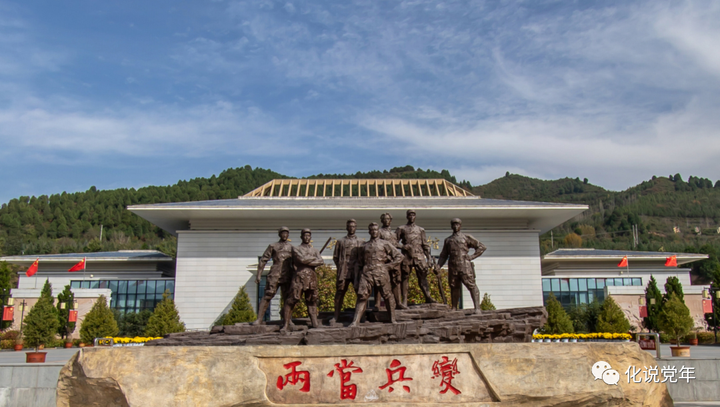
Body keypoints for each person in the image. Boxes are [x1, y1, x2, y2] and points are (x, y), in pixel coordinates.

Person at [350, 222, 403, 327]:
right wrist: (356, 279)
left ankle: (392, 319)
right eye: (372, 230)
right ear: (369, 231)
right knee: (362, 296)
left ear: (378, 231)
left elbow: (399, 256)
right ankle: (355, 321)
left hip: (381, 271)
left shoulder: (384, 244)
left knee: (387, 295)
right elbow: (359, 264)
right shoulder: (363, 246)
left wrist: (389, 266)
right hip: (367, 272)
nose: (374, 232)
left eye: (376, 230)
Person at [436, 218, 486, 313]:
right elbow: (443, 255)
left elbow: (481, 247)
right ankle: (454, 307)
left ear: (460, 226)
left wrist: (471, 257)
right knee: (454, 286)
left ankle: (477, 307)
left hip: (465, 265)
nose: (455, 226)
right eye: (454, 224)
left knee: (471, 285)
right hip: (453, 266)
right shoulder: (448, 240)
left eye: (457, 224)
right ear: (451, 226)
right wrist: (438, 266)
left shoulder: (466, 238)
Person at [281, 229, 324, 332]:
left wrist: (307, 260)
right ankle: (286, 324)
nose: (306, 237)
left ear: (310, 237)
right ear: (301, 237)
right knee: (292, 299)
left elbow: (321, 261)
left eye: (308, 236)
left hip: (311, 277)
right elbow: (301, 260)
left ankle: (314, 323)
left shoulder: (315, 251)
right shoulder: (296, 248)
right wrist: (313, 260)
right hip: (299, 277)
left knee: (312, 300)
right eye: (305, 235)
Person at [251, 227, 293, 325]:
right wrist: (259, 275)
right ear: (279, 234)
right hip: (275, 274)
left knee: (287, 298)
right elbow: (263, 260)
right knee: (268, 295)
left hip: (287, 275)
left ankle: (287, 320)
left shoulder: (291, 248)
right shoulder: (273, 246)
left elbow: (296, 262)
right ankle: (259, 319)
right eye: (283, 233)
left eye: (287, 233)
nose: (285, 235)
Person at [396, 209, 436, 305]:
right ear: (407, 216)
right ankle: (404, 300)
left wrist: (429, 258)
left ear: (415, 216)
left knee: (423, 277)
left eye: (413, 215)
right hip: (406, 255)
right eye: (410, 215)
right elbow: (394, 242)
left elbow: (425, 245)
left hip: (419, 255)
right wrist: (402, 246)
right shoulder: (401, 228)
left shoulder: (420, 230)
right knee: (405, 277)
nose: (411, 217)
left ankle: (428, 296)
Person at [333, 219, 365, 321]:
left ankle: (361, 317)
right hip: (344, 269)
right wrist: (341, 267)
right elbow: (335, 257)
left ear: (356, 228)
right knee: (340, 292)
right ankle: (336, 316)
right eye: (350, 226)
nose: (352, 228)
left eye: (353, 226)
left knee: (360, 292)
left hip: (356, 270)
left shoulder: (361, 242)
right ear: (347, 228)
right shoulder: (340, 241)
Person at [379, 212, 407, 309]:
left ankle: (398, 302)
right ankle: (377, 304)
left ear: (391, 220)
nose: (387, 221)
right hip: (384, 260)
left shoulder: (393, 234)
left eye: (388, 219)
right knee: (380, 281)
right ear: (382, 220)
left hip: (394, 261)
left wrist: (404, 246)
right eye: (385, 219)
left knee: (396, 281)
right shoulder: (379, 232)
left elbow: (395, 245)